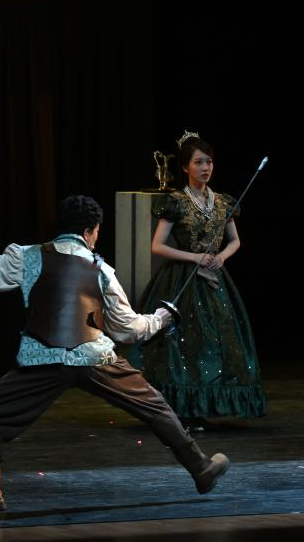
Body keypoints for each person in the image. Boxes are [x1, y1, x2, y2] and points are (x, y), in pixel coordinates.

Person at [0, 195, 229, 511]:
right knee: (154, 407)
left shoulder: (29, 256)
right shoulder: (101, 270)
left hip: (43, 358)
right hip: (94, 358)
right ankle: (200, 468)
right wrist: (160, 318)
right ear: (90, 231)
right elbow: (128, 329)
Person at [129, 131, 266, 429]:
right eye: (198, 162)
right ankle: (181, 409)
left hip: (214, 280)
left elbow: (235, 241)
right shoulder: (176, 202)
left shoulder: (223, 202)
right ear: (185, 167)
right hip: (182, 279)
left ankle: (204, 405)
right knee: (183, 345)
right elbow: (157, 246)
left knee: (214, 344)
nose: (205, 167)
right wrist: (195, 257)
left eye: (209, 162)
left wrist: (222, 256)